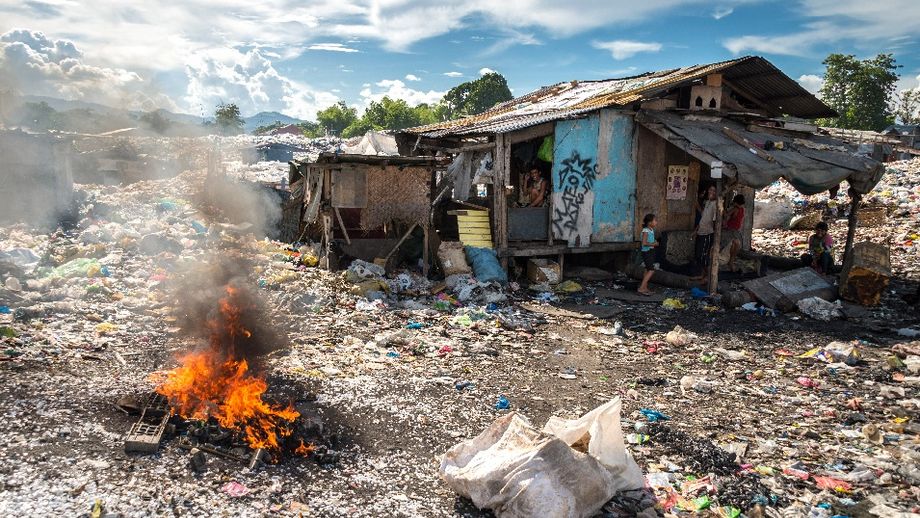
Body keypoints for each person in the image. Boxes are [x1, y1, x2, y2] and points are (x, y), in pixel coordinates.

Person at [693, 185, 718, 280]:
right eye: (710, 189)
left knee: (704, 255)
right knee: (698, 255)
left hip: (708, 233)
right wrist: (696, 231)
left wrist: (715, 235)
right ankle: (703, 274)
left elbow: (715, 221)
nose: (711, 192)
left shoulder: (716, 204)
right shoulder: (708, 202)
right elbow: (703, 217)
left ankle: (707, 276)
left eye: (714, 190)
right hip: (701, 232)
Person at [721, 194, 745, 272]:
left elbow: (726, 215)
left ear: (735, 202)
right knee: (735, 245)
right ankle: (731, 261)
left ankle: (730, 261)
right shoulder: (742, 209)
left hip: (731, 230)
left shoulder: (736, 209)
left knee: (734, 245)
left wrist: (722, 208)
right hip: (733, 230)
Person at [638, 213, 658, 295]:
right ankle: (641, 288)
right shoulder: (645, 230)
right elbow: (644, 243)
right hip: (646, 252)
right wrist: (654, 244)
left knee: (647, 269)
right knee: (651, 270)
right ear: (649, 222)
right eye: (655, 220)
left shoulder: (650, 230)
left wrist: (654, 242)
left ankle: (645, 287)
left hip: (650, 251)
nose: (656, 222)